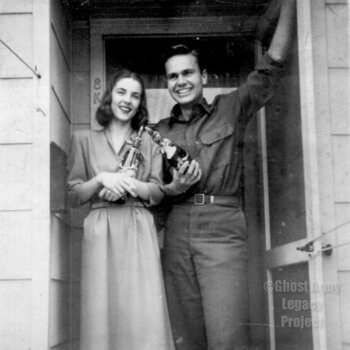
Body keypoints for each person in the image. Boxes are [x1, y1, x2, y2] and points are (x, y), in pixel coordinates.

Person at [154, 1, 296, 349]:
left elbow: (273, 63)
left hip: (222, 227)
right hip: (176, 232)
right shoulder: (157, 131)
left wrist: (293, 4)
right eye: (173, 76)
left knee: (227, 335)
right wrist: (173, 188)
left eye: (188, 73)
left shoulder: (230, 108)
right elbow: (152, 195)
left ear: (203, 77)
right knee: (186, 337)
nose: (181, 81)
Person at [67, 69, 175, 350]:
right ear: (109, 97)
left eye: (135, 95)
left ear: (141, 104)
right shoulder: (83, 140)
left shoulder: (148, 140)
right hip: (101, 227)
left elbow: (157, 191)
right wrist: (102, 179)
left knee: (142, 312)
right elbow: (74, 195)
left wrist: (129, 184)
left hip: (138, 225)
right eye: (121, 92)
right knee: (101, 311)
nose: (128, 100)